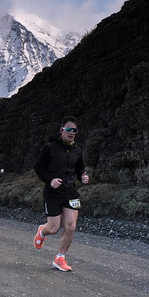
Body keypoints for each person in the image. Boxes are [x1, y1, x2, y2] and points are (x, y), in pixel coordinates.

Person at [33, 116, 90, 272]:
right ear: (62, 130)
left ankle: (60, 258)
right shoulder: (50, 148)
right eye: (69, 129)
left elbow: (79, 169)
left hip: (70, 192)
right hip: (53, 192)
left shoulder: (77, 150)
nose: (72, 133)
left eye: (75, 130)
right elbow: (38, 167)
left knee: (71, 226)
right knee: (53, 228)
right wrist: (50, 180)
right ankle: (41, 231)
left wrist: (82, 177)